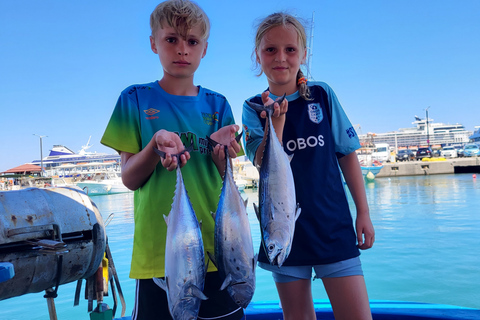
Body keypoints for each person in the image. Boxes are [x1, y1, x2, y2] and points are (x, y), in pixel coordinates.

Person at [100, 1, 243, 319]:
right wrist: (153, 147)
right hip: (159, 255)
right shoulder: (134, 99)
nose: (183, 50)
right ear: (154, 43)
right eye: (171, 39)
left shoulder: (218, 105)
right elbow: (129, 178)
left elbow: (225, 180)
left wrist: (224, 157)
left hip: (219, 251)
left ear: (204, 49)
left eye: (192, 41)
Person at [242, 12, 375, 320]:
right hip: (281, 232)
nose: (281, 58)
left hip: (333, 225)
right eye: (270, 49)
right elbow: (260, 160)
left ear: (303, 54)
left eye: (290, 49)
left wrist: (363, 213)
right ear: (257, 56)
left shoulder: (322, 95)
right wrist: (277, 122)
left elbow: (346, 154)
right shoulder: (253, 107)